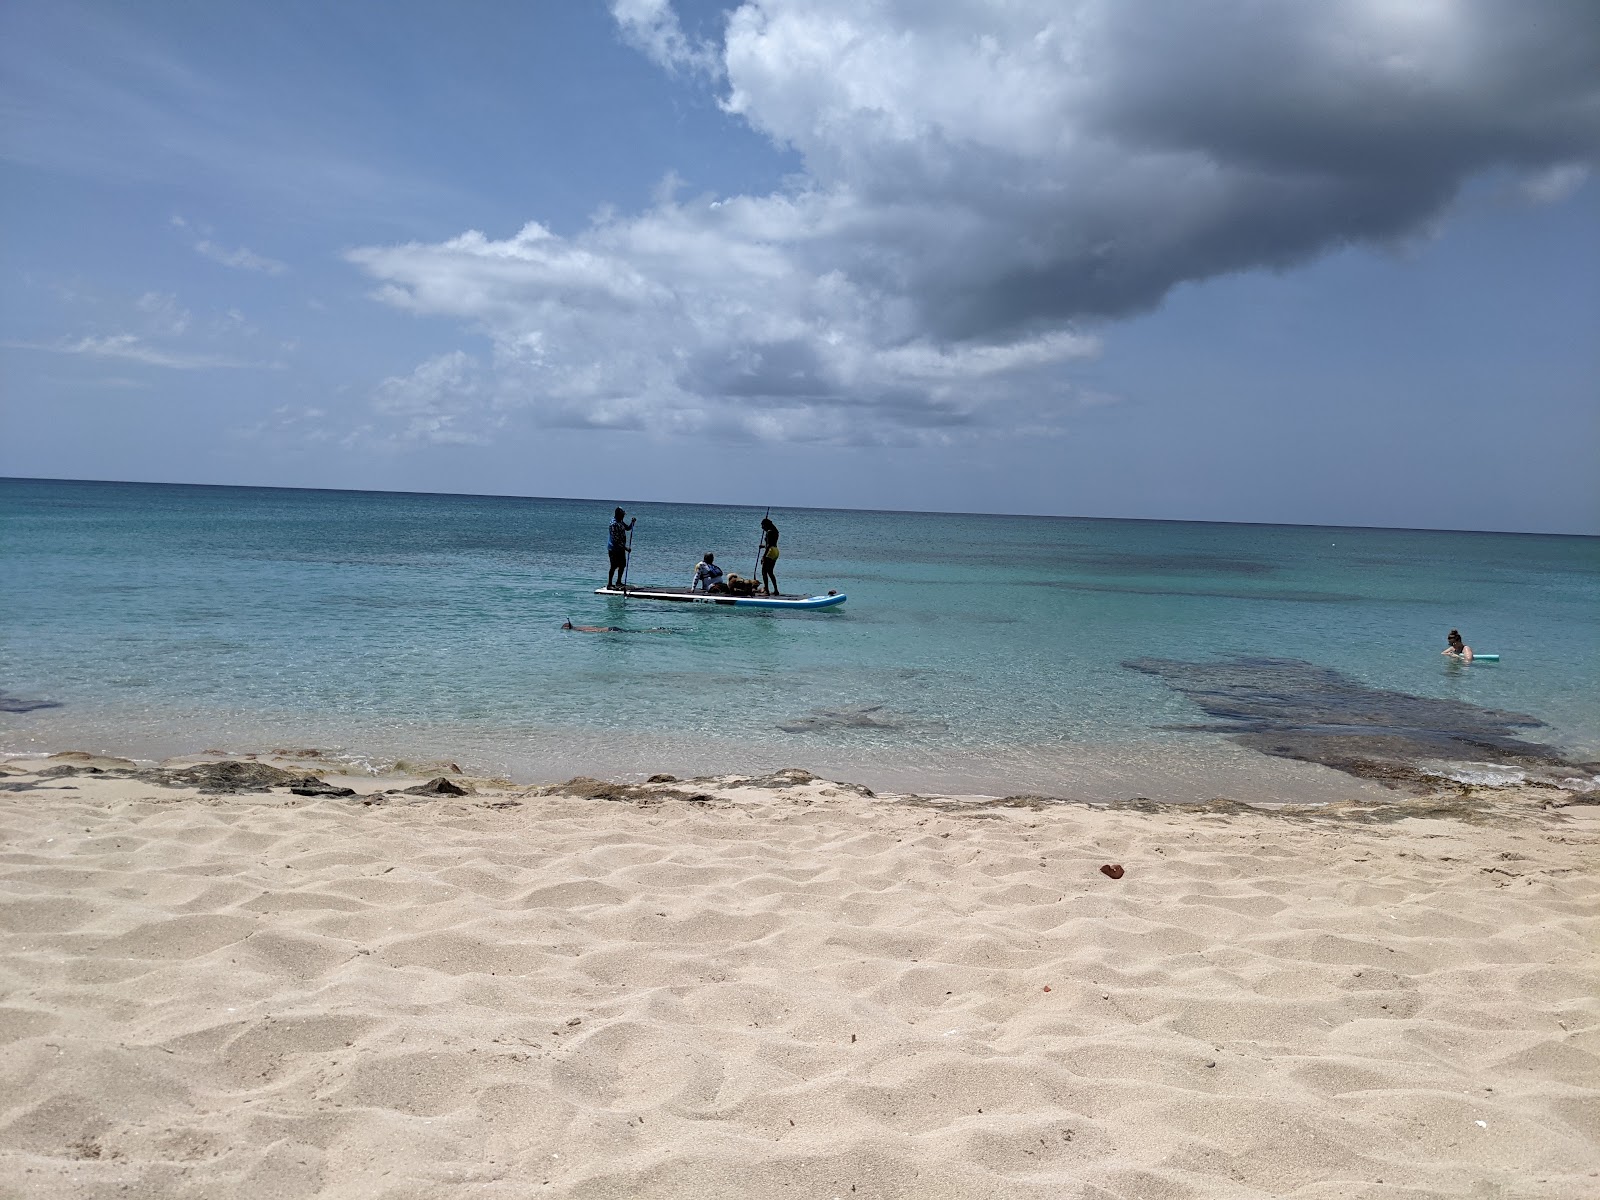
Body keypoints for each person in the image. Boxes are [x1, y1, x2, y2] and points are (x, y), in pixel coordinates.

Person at [606, 507, 636, 589]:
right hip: (613, 548)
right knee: (613, 566)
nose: (623, 516)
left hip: (621, 548)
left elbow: (628, 528)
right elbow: (616, 540)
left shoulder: (620, 521)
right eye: (622, 515)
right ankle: (609, 584)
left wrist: (632, 523)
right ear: (618, 515)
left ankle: (619, 582)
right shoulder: (614, 524)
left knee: (622, 565)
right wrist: (626, 548)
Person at [759, 516, 780, 595]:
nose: (762, 527)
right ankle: (776, 590)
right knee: (770, 572)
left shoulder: (769, 532)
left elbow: (768, 546)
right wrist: (763, 546)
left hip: (770, 551)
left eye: (762, 525)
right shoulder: (775, 531)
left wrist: (764, 556)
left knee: (764, 571)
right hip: (776, 551)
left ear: (766, 525)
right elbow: (771, 544)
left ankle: (766, 591)